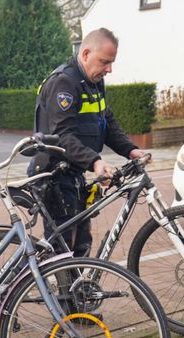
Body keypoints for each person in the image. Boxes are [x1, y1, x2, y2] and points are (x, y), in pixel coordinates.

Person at [30, 27, 149, 257]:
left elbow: (107, 121)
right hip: (54, 175)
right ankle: (42, 289)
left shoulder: (93, 83)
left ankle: (76, 292)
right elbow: (62, 135)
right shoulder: (64, 83)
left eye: (111, 62)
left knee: (81, 243)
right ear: (85, 54)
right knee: (61, 248)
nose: (109, 69)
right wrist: (95, 161)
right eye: (104, 62)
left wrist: (130, 149)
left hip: (74, 174)